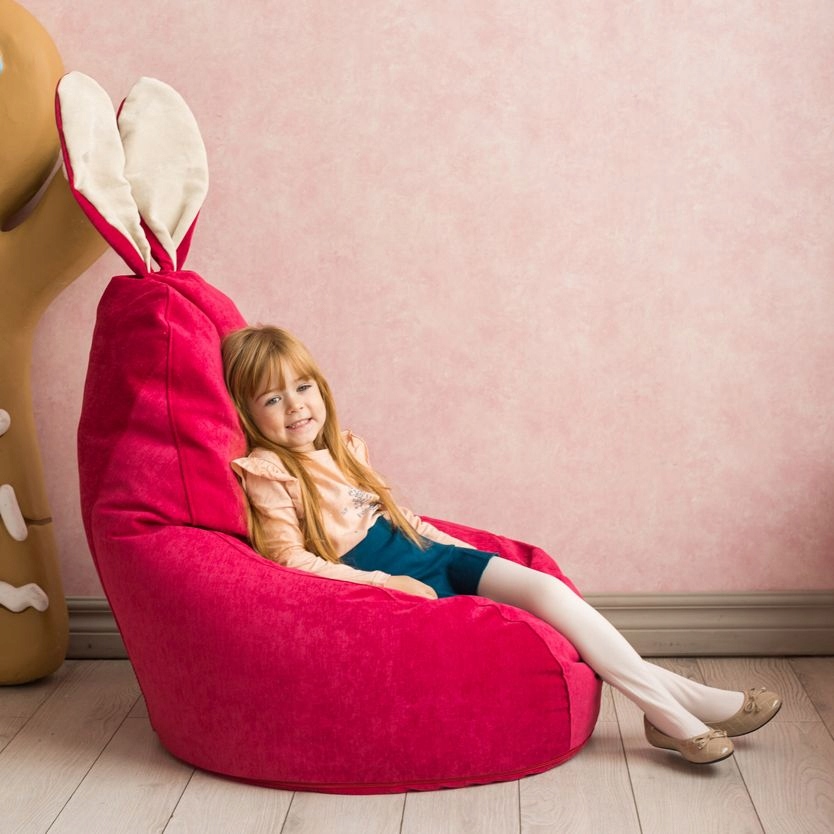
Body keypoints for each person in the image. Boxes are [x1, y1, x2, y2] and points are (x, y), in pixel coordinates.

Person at [222, 324, 781, 765]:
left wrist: (463, 551)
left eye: (302, 387)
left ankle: (674, 712)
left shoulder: (346, 447)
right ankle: (680, 714)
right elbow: (288, 558)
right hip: (399, 580)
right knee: (541, 635)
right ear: (247, 412)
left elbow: (401, 518)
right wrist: (385, 584)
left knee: (553, 597)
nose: (295, 406)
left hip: (437, 556)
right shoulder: (270, 471)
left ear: (321, 388)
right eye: (273, 398)